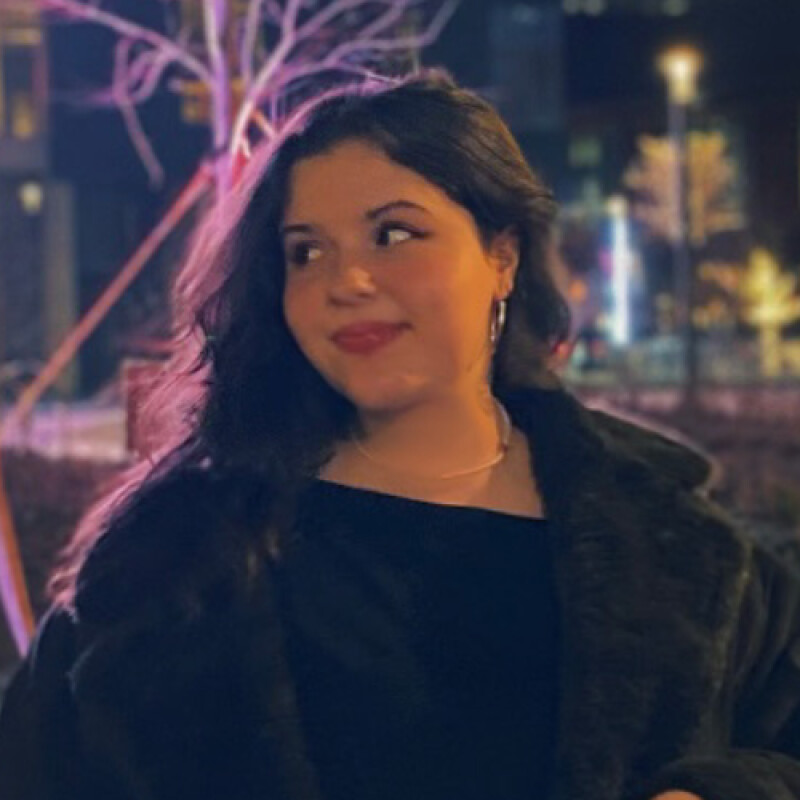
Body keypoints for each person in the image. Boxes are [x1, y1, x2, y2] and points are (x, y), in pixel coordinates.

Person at [1, 68, 799, 800]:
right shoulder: (173, 554)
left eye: (393, 234)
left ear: (503, 255)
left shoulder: (677, 547)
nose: (345, 281)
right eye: (306, 251)